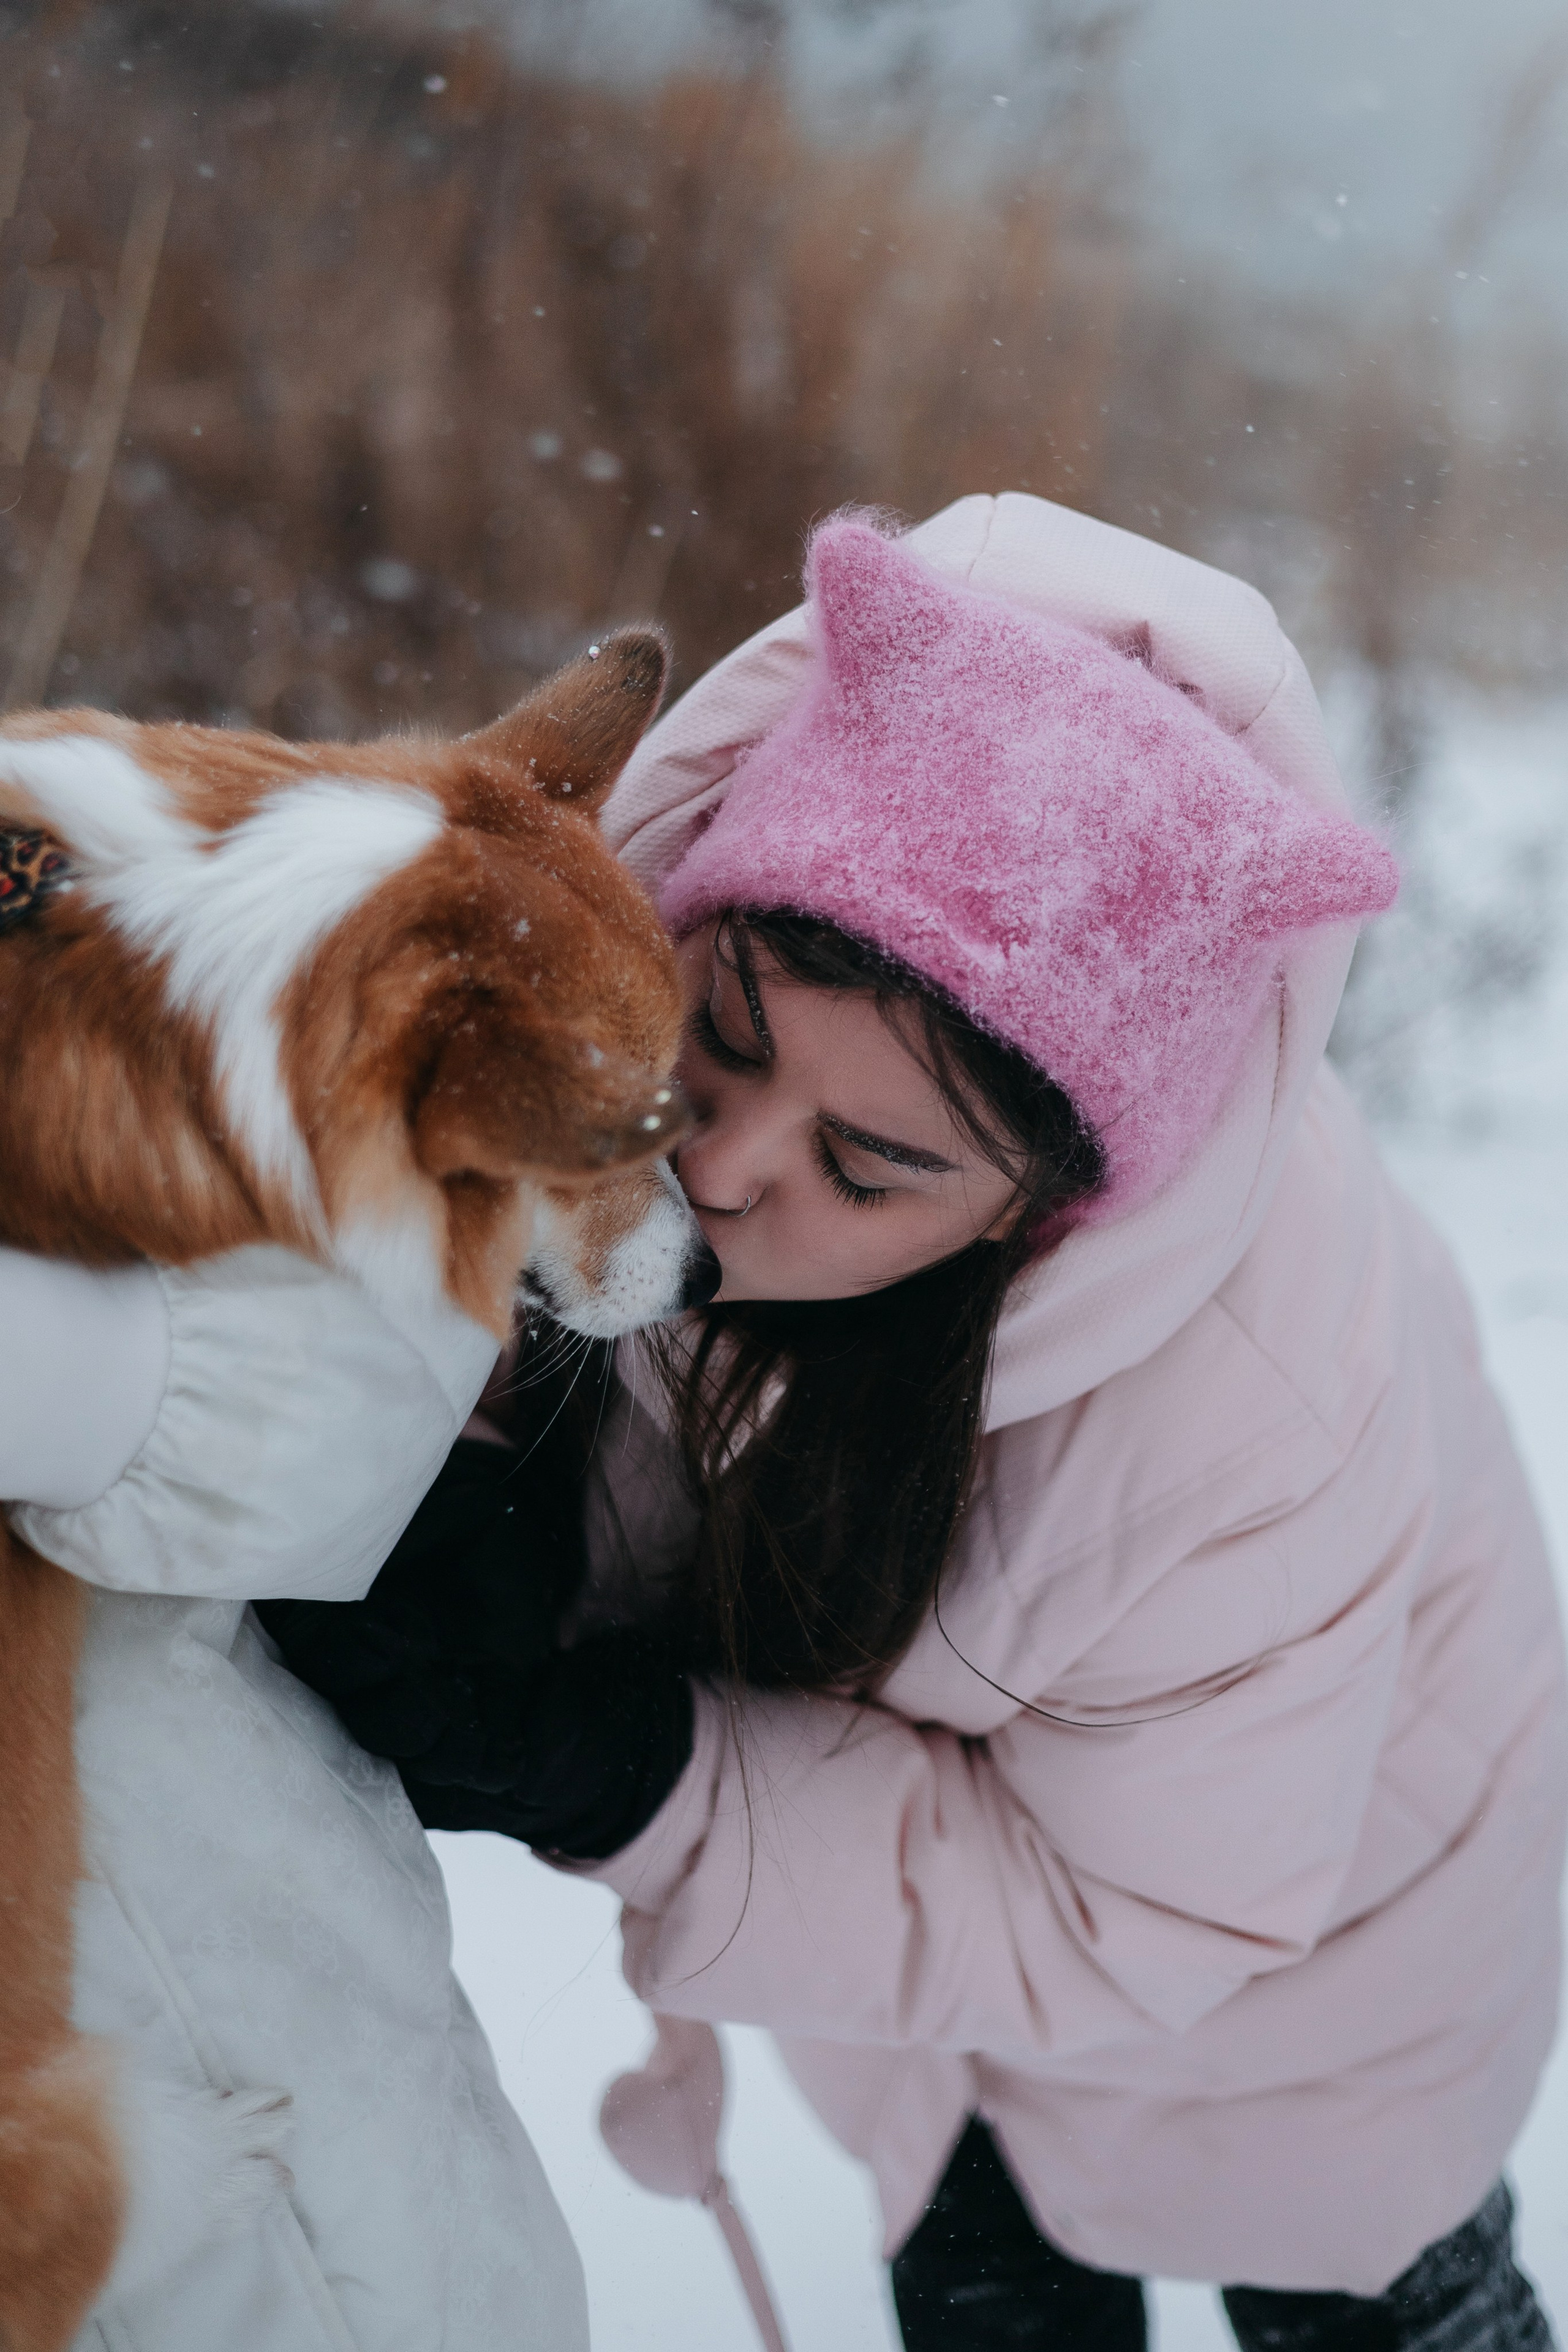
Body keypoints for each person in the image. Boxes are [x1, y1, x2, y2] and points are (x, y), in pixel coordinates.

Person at [270, 494, 1568, 2352]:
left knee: (1371, 2303)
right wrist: (506, 1489)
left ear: (1040, 1214)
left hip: (1316, 1988)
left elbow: (1131, 1913)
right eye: (717, 1035)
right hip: (919, 1988)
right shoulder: (636, 1128)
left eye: (868, 1165)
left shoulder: (1257, 1427)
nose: (713, 1166)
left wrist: (634, 1770)